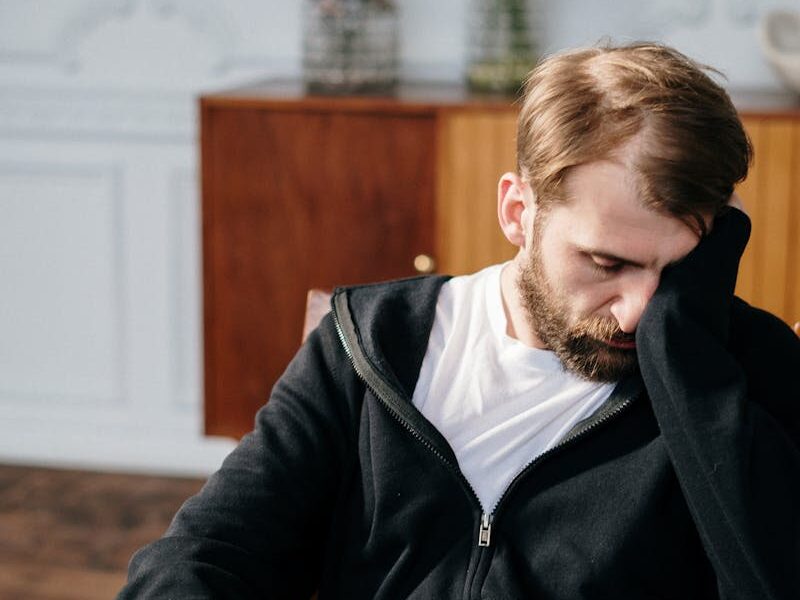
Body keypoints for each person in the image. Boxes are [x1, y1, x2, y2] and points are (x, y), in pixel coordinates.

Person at [118, 42, 800, 599]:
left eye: (676, 269)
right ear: (517, 212)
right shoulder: (373, 342)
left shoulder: (740, 371)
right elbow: (204, 555)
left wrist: (691, 363)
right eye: (606, 262)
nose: (637, 311)